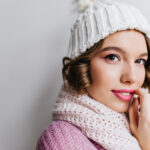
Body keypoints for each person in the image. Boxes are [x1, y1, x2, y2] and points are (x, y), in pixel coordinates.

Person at [36, 0, 150, 149]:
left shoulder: (141, 127)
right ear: (83, 65)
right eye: (112, 57)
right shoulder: (62, 138)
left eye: (140, 60)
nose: (131, 77)